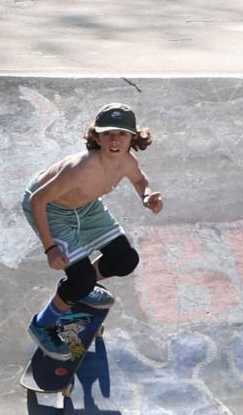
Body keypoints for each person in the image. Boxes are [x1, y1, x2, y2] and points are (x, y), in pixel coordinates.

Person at [21, 103, 163, 359]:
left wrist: (147, 196)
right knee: (81, 277)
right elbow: (37, 201)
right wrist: (50, 249)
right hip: (52, 209)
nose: (114, 140)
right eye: (107, 133)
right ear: (96, 136)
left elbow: (140, 180)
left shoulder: (127, 162)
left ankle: (79, 288)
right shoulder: (80, 168)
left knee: (125, 260)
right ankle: (43, 324)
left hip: (86, 208)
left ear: (133, 138)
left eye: (122, 134)